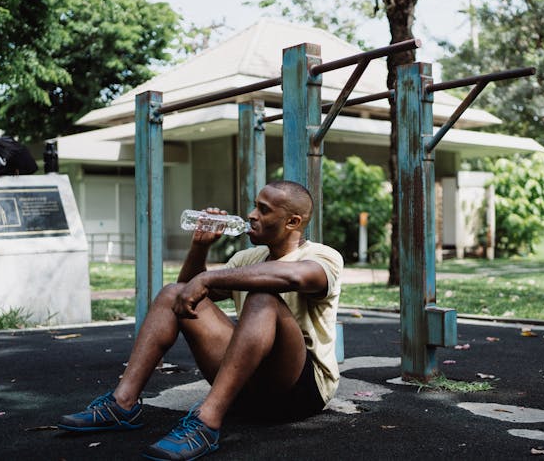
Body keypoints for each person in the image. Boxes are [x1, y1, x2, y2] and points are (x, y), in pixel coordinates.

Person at [58, 181, 344, 460]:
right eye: (254, 206)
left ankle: (207, 422)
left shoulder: (322, 256)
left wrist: (208, 277)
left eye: (264, 210)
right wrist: (199, 248)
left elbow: (294, 277)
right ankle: (123, 404)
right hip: (248, 389)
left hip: (299, 391)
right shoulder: (248, 258)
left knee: (263, 296)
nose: (252, 215)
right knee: (172, 292)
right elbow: (185, 300)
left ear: (292, 222)